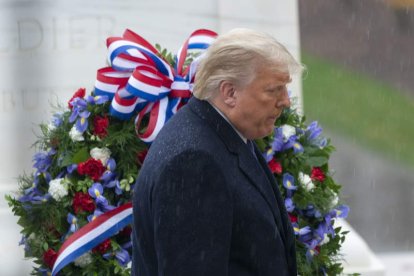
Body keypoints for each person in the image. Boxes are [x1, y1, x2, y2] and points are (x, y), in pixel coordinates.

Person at [132, 28, 303, 276]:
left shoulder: (223, 134)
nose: (285, 101)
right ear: (230, 92)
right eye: (273, 90)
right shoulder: (193, 163)